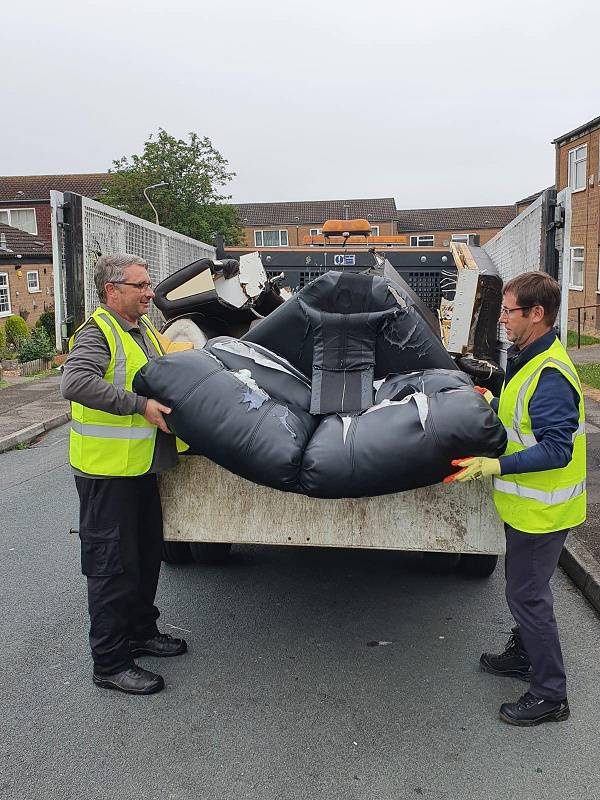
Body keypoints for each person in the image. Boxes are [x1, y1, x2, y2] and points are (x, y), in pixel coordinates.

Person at [446, 271, 585, 726]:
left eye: (509, 311)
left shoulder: (550, 374)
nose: (503, 319)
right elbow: (520, 415)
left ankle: (550, 694)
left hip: (543, 510)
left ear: (536, 314)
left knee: (528, 596)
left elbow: (557, 449)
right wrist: (489, 392)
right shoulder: (529, 354)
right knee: (524, 590)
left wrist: (495, 465)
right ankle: (525, 655)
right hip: (527, 506)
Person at [61, 253, 187, 695]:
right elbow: (74, 383)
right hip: (105, 474)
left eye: (149, 284)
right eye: (141, 286)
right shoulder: (98, 332)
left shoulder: (144, 329)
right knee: (112, 567)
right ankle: (110, 662)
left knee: (145, 555)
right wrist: (140, 406)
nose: (150, 292)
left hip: (139, 468)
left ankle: (140, 631)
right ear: (112, 291)